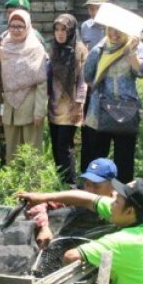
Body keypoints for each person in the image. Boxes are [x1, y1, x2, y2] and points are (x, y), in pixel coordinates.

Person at [81, 6, 143, 184]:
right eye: (110, 29)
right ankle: (94, 196)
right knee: (97, 157)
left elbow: (142, 71)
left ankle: (123, 198)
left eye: (119, 30)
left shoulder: (135, 46)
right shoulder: (99, 50)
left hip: (126, 112)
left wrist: (130, 52)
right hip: (99, 112)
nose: (114, 34)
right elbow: (88, 77)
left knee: (125, 159)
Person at [0, 9, 48, 164]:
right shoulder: (3, 48)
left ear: (28, 27)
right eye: (13, 26)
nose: (16, 30)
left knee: (31, 151)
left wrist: (40, 111)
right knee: (12, 151)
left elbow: (42, 83)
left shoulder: (35, 49)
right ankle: (14, 185)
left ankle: (33, 186)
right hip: (10, 107)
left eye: (20, 26)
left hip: (30, 106)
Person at [24, 157, 118, 249]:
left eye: (96, 186)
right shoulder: (77, 197)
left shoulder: (120, 205)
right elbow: (39, 203)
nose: (90, 190)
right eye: (87, 184)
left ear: (113, 185)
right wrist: (43, 227)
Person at [48, 13, 87, 185]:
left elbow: (83, 81)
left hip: (70, 107)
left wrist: (78, 104)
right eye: (57, 29)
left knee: (65, 147)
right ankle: (60, 183)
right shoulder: (54, 48)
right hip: (54, 105)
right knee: (56, 147)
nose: (60, 33)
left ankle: (70, 184)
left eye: (64, 29)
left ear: (71, 30)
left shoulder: (79, 49)